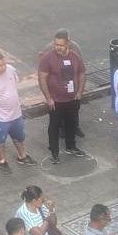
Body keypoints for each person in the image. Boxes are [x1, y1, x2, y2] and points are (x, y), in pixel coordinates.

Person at [0, 51, 36, 173]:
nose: (3, 67)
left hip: (16, 114)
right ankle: (2, 161)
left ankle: (22, 156)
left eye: (4, 64)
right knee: (0, 141)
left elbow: (16, 80)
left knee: (19, 137)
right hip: (1, 117)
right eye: (0, 65)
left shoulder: (10, 69)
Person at [38, 29, 86, 164]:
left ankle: (71, 146)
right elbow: (42, 78)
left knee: (72, 123)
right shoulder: (48, 58)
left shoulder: (75, 56)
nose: (58, 47)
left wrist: (79, 93)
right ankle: (54, 152)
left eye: (61, 45)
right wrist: (48, 98)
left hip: (72, 99)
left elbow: (82, 73)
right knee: (54, 126)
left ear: (68, 44)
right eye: (56, 44)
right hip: (56, 101)